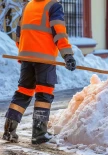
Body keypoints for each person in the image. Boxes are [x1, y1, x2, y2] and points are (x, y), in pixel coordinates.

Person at [2, 0, 76, 144]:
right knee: (44, 93)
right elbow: (59, 32)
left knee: (23, 91)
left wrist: (24, 53)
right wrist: (68, 55)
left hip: (26, 56)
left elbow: (19, 34)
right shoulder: (53, 6)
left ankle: (9, 131)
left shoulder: (28, 6)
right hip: (44, 58)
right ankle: (39, 133)